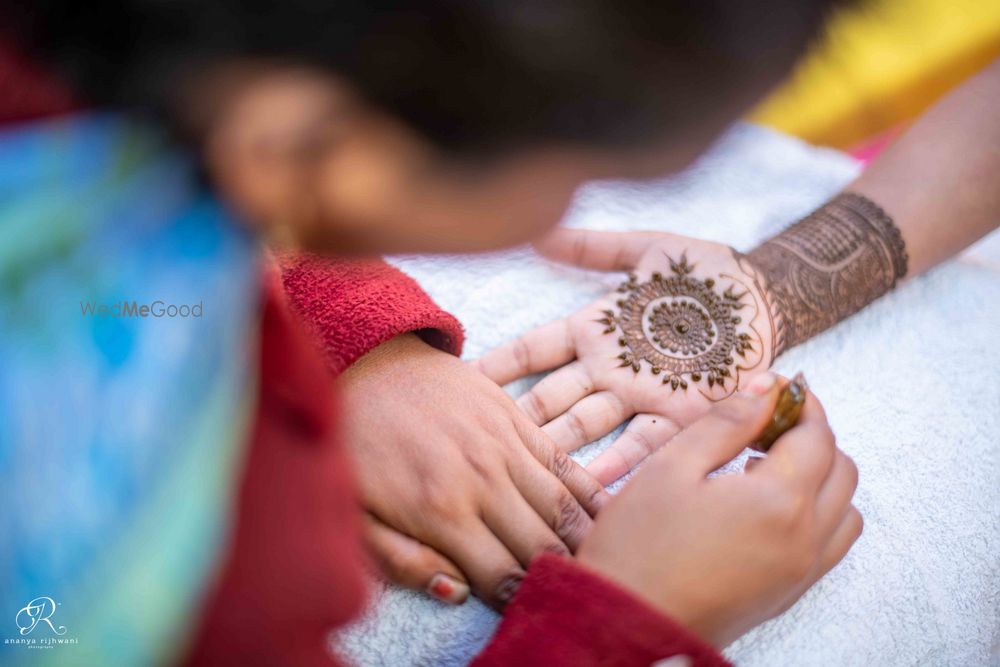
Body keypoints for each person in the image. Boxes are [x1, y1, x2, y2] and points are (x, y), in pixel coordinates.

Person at [0, 1, 996, 666]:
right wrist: (618, 619)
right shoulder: (189, 548)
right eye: (570, 173)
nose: (571, 202)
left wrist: (340, 329)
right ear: (308, 149)